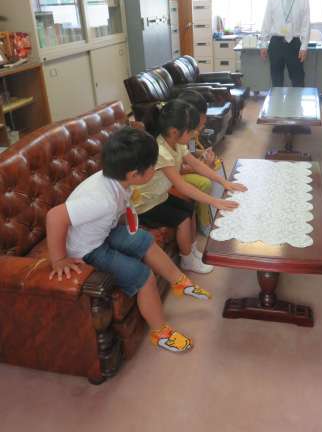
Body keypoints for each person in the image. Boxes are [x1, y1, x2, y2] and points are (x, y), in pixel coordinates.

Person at [47, 126, 212, 354]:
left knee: (142, 239)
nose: (156, 168)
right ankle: (161, 333)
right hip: (87, 249)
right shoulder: (101, 199)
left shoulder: (115, 180)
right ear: (134, 174)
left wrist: (129, 228)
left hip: (104, 232)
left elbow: (121, 211)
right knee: (143, 277)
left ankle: (178, 281)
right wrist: (59, 259)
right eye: (153, 166)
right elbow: (55, 216)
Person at [131, 99, 247, 274]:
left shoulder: (176, 142)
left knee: (189, 208)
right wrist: (215, 201)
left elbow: (197, 164)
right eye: (191, 130)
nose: (195, 133)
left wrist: (224, 182)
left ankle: (192, 250)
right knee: (182, 219)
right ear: (174, 131)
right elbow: (182, 186)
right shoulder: (161, 151)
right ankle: (187, 260)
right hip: (144, 204)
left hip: (159, 196)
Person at [177, 89, 226, 236]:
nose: (202, 126)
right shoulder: (175, 134)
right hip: (177, 172)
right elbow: (178, 168)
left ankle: (218, 207)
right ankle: (206, 222)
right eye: (200, 122)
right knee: (205, 183)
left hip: (187, 164)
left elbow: (191, 150)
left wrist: (203, 153)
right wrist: (201, 166)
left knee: (217, 163)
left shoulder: (192, 131)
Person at [260, 0, 310, 87]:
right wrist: (263, 44)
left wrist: (304, 47)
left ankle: (297, 101)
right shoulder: (272, 0)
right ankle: (276, 101)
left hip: (294, 44)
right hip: (276, 44)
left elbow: (306, 25)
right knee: (276, 80)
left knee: (298, 80)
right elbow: (266, 22)